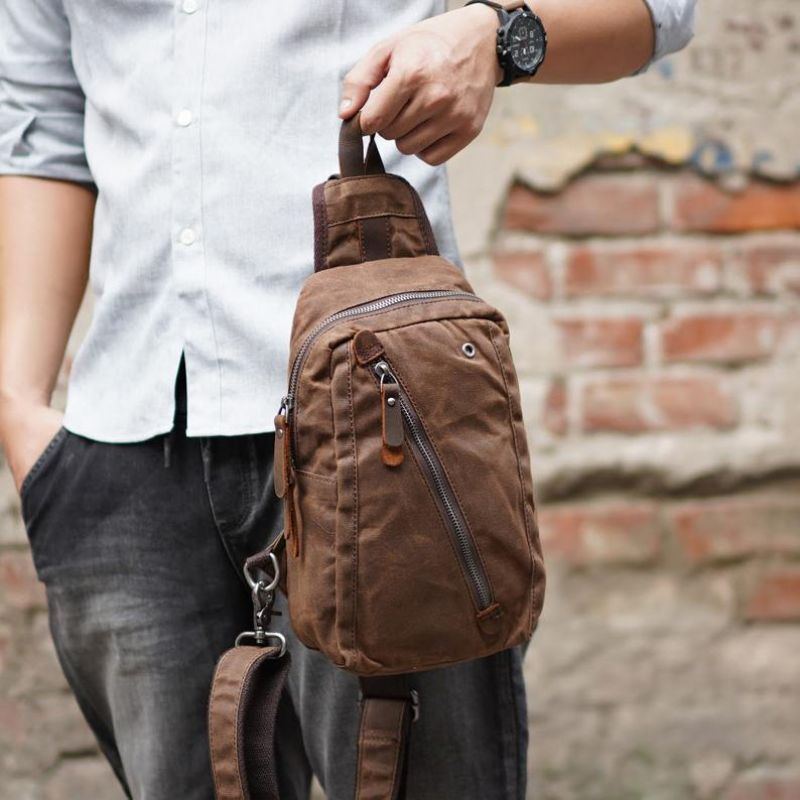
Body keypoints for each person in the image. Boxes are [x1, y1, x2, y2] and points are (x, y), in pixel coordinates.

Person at [0, 1, 695, 798]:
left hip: (382, 435)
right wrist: (19, 402)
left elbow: (663, 10)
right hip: (127, 446)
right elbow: (41, 119)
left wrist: (493, 34)